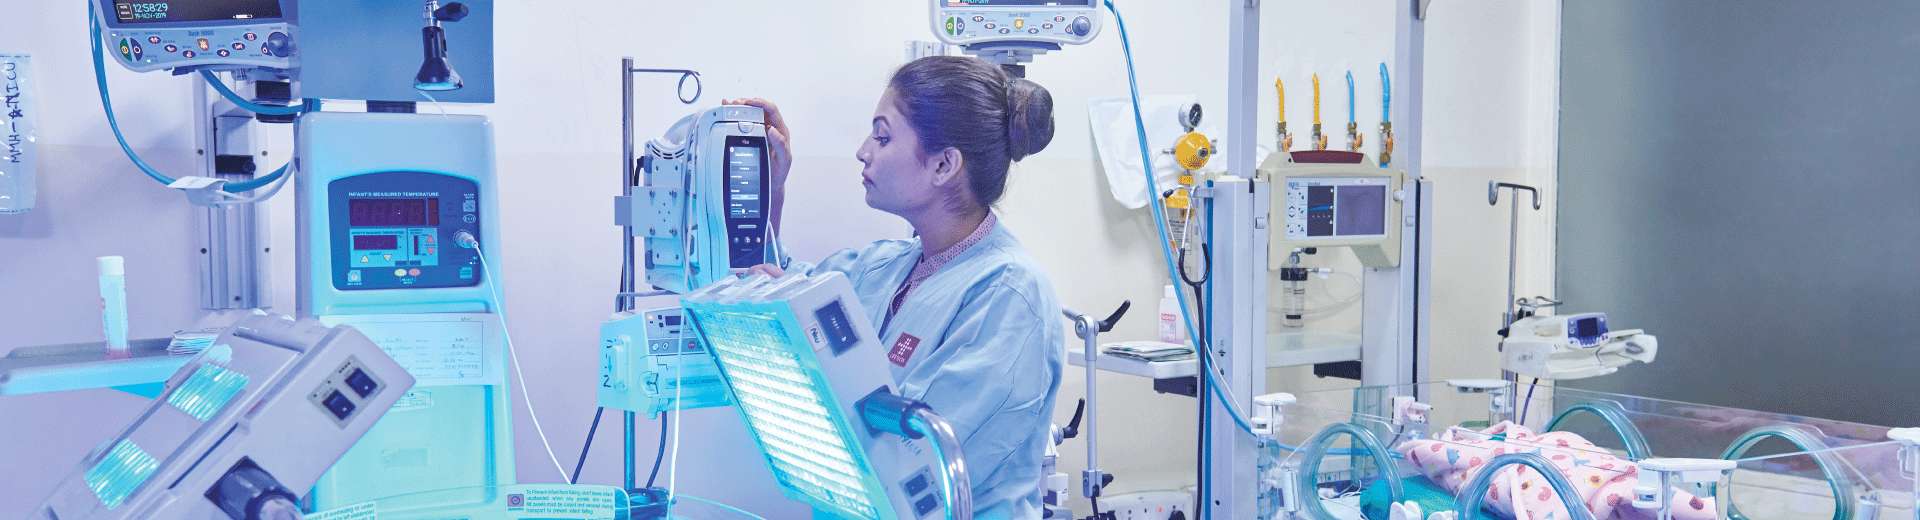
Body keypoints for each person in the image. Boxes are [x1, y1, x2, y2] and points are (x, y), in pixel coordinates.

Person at [724, 55, 1064, 519]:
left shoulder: (1009, 296)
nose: (863, 151)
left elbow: (916, 467)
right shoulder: (883, 266)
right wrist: (770, 188)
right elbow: (778, 286)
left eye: (882, 137)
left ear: (943, 164)